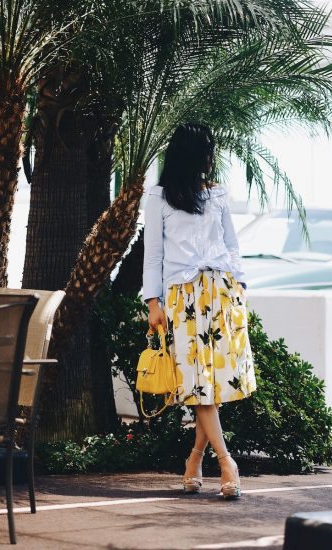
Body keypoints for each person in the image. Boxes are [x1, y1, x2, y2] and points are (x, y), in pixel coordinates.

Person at [142, 123, 256, 499]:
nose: (211, 157)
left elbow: (231, 245)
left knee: (213, 387)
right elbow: (153, 255)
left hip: (221, 294)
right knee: (198, 386)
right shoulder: (158, 197)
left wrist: (239, 287)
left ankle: (194, 460)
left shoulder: (217, 194)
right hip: (182, 299)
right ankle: (227, 463)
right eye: (207, 149)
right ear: (192, 153)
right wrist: (153, 304)